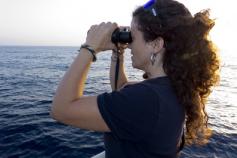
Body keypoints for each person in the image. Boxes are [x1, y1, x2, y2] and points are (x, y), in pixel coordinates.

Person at [50, 0, 220, 157]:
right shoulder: (170, 87)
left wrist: (89, 47)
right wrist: (118, 52)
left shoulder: (147, 100)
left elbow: (62, 109)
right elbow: (122, 88)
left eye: (133, 36)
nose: (129, 43)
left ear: (156, 44)